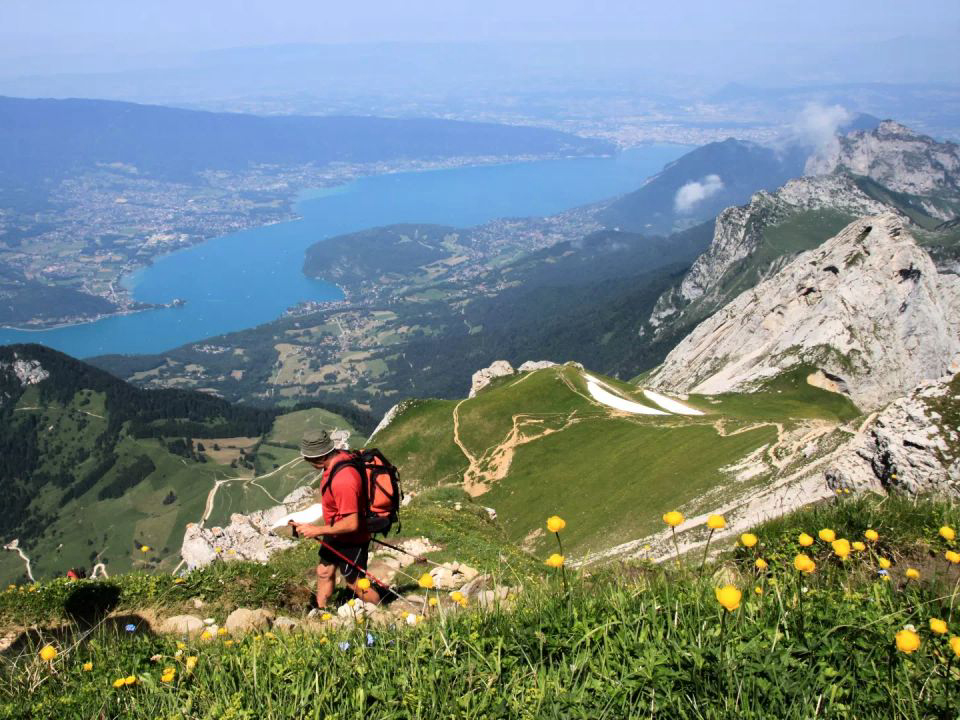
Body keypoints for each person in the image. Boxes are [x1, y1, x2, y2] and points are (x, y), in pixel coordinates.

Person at [291, 430, 381, 608]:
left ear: (316, 458)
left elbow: (351, 523)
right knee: (324, 571)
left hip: (351, 537)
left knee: (355, 583)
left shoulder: (343, 479)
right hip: (335, 532)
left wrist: (317, 530)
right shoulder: (337, 459)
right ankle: (321, 611)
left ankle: (383, 611)